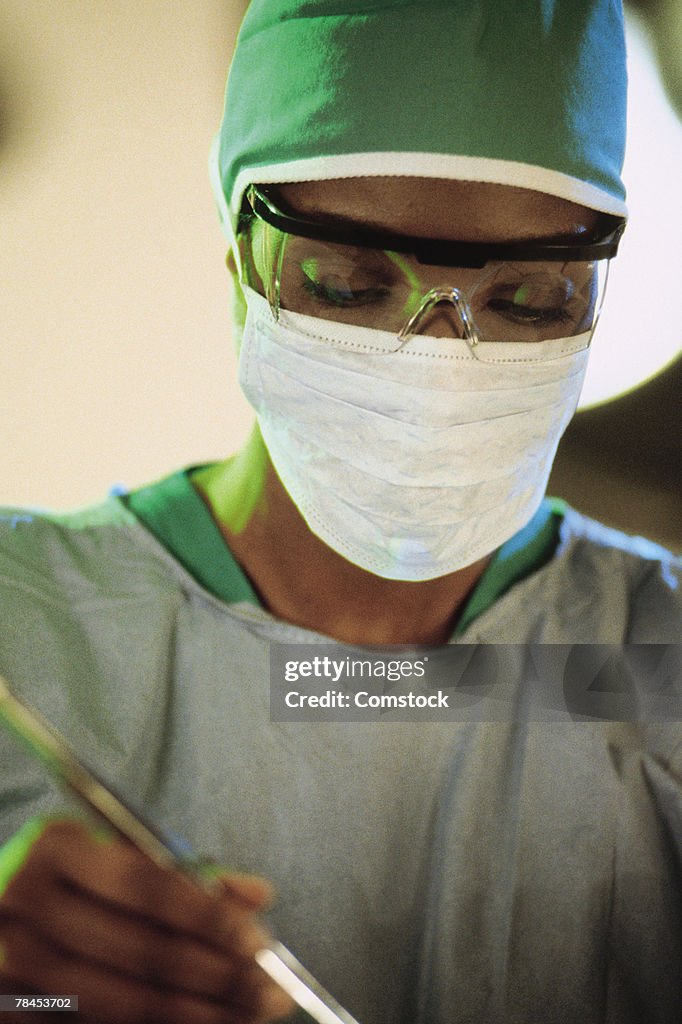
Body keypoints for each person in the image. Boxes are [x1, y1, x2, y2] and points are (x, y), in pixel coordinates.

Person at [0, 1, 680, 1022]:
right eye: (349, 281)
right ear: (238, 260)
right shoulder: (32, 630)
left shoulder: (652, 657)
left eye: (527, 298)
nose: (442, 362)